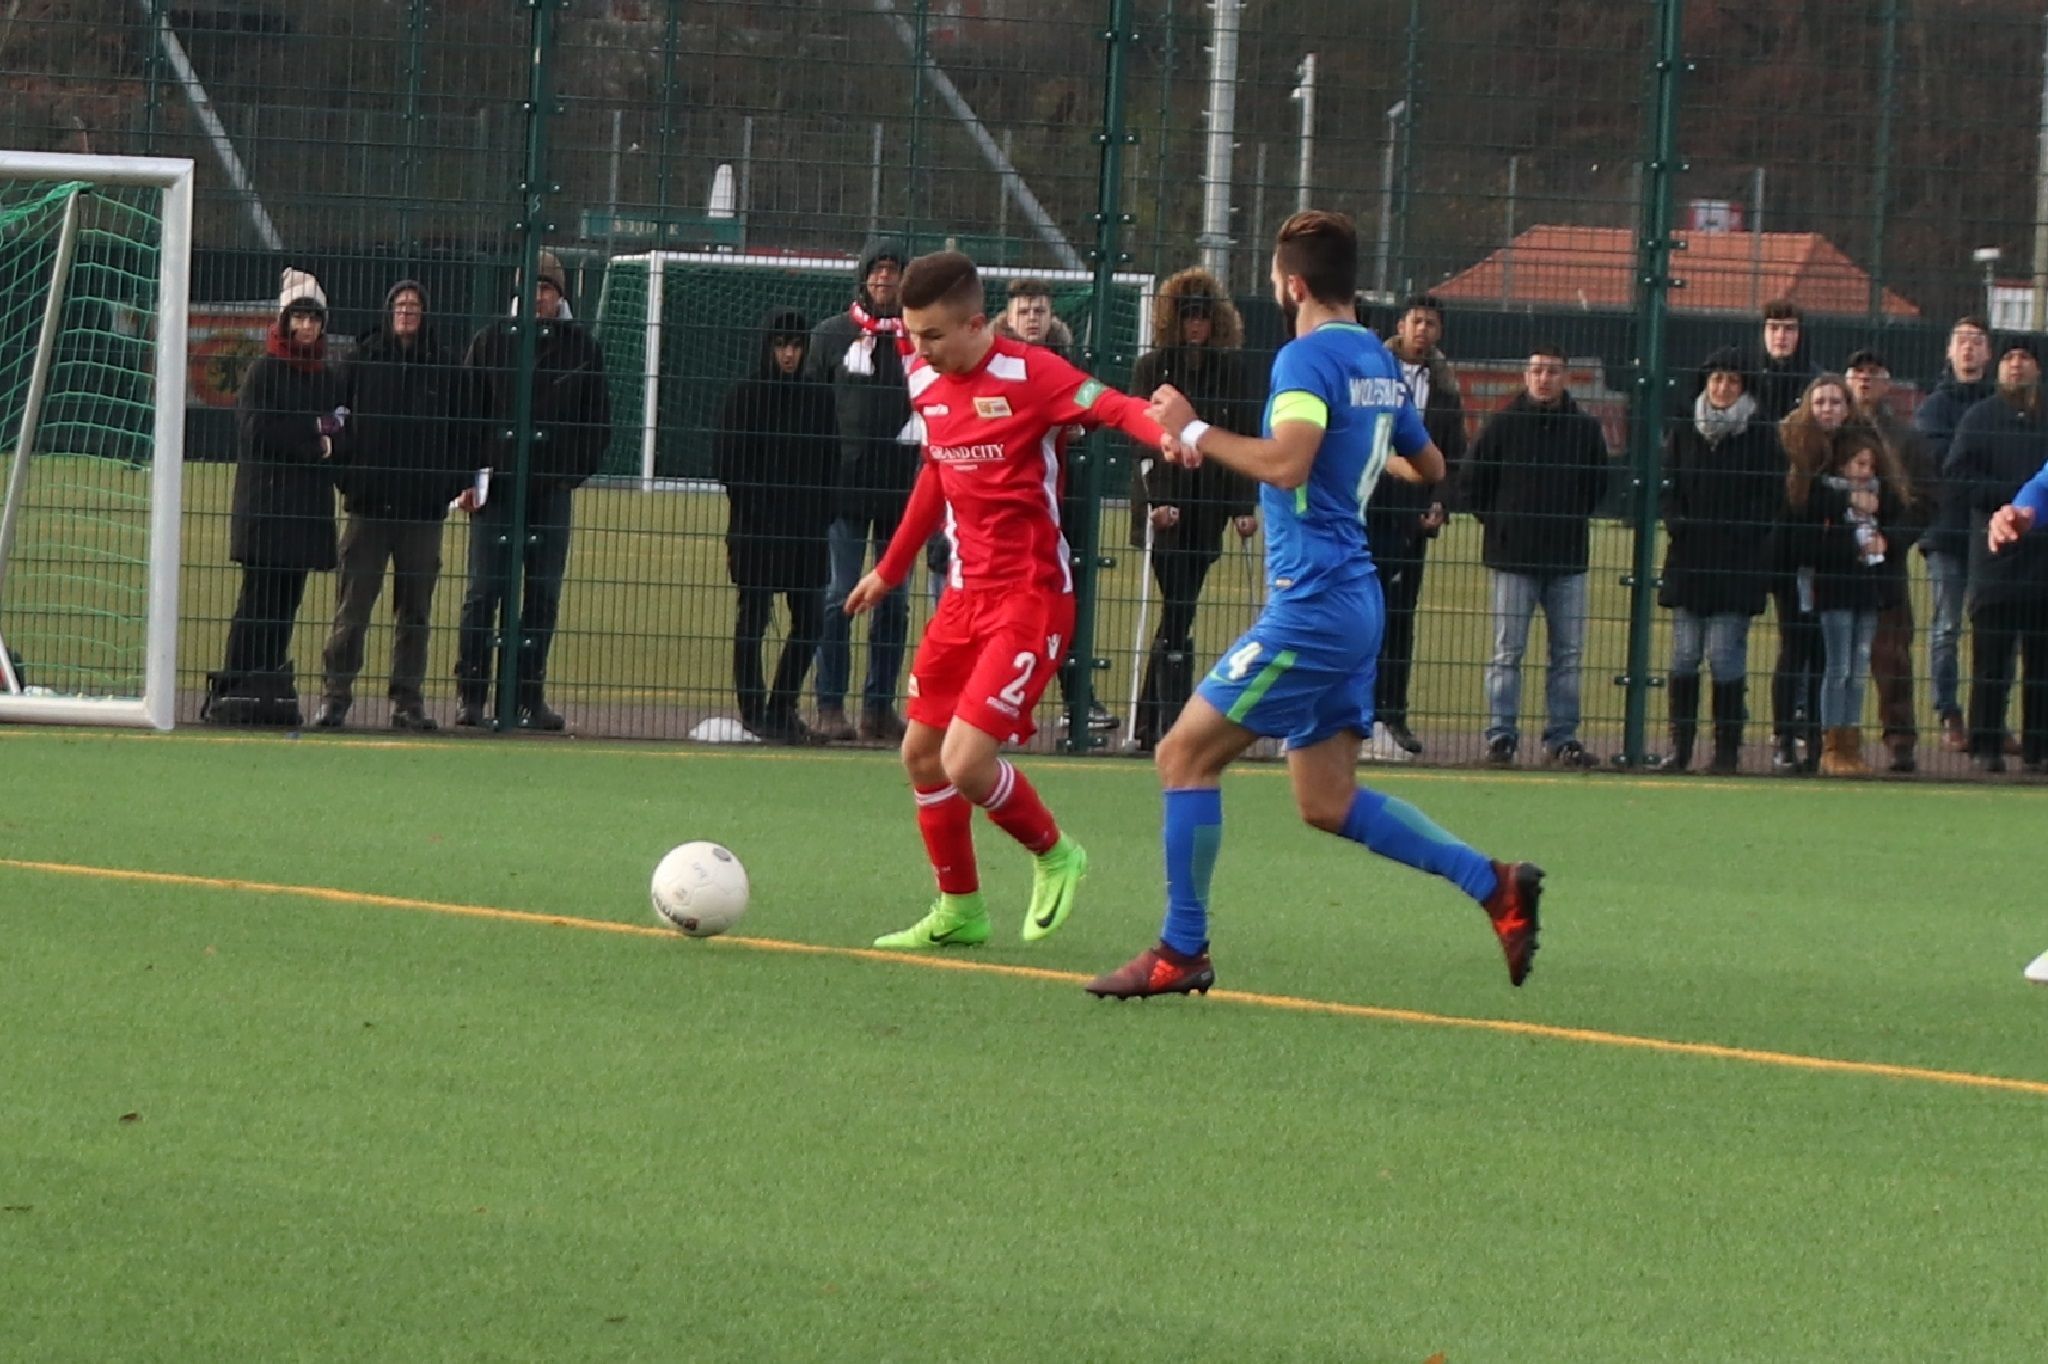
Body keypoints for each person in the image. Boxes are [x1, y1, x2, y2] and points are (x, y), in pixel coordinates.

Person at [1086, 211, 1542, 1000]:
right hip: (1356, 599)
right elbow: (1427, 459)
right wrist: (1360, 462)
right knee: (1325, 801)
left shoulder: (1304, 359)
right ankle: (1494, 884)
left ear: (1291, 283)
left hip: (1315, 605)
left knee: (1181, 756)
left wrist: (1191, 426)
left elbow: (1289, 465)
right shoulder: (1374, 356)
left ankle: (1181, 949)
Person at [844, 250, 1173, 951]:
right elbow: (935, 471)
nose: (921, 350)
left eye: (933, 336)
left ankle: (1058, 854)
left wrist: (1166, 433)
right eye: (914, 335)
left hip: (1031, 598)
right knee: (921, 755)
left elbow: (1108, 404)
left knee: (966, 762)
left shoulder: (1032, 374)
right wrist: (893, 568)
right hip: (963, 599)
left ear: (974, 323)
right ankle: (960, 910)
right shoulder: (925, 377)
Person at [454, 249, 611, 731]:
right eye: (535, 287)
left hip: (550, 490)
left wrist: (571, 474)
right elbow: (464, 415)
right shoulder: (490, 342)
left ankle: (528, 696)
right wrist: (469, 474)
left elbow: (598, 422)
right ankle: (473, 696)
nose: (540, 296)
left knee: (542, 595)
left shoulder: (582, 348)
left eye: (548, 288)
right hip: (496, 490)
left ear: (560, 294)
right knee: (484, 592)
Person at [316, 279, 469, 731]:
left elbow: (465, 433)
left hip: (422, 512)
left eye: (414, 305)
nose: (406, 311)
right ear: (389, 311)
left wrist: (446, 486)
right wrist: (349, 476)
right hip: (368, 507)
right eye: (400, 304)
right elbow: (332, 420)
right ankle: (336, 695)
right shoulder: (360, 360)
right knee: (352, 608)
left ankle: (408, 700)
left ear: (425, 313)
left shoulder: (445, 366)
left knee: (415, 612)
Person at [1126, 267, 1259, 752]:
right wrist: (1154, 504)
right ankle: (1168, 717)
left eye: (1203, 317)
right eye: (1188, 317)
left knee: (1180, 609)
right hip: (1166, 502)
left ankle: (1153, 720)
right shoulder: (1152, 367)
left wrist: (1244, 505)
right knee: (1177, 608)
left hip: (1211, 505)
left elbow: (1244, 436)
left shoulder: (1232, 370)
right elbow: (1140, 443)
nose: (1196, 326)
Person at [204, 267, 344, 727]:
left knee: (286, 604)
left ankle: (266, 685)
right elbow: (259, 430)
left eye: (314, 318)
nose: (307, 326)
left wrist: (327, 441)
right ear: (285, 321)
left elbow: (340, 430)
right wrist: (314, 439)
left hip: (305, 514)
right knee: (257, 602)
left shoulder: (325, 376)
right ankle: (235, 685)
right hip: (266, 510)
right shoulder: (263, 371)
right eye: (300, 317)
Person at [1462, 343, 1612, 767]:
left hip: (1567, 559)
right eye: (1537, 370)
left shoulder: (1585, 430)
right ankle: (1501, 736)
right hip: (1513, 559)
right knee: (1507, 652)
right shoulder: (1502, 425)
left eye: (1552, 371)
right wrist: (1501, 524)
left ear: (1565, 377)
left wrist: (1567, 519)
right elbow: (1473, 482)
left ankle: (1562, 738)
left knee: (1567, 654)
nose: (1544, 378)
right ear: (1526, 376)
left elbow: (1597, 485)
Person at [993, 277, 1118, 739]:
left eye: (1040, 310)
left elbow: (1092, 403)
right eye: (1024, 310)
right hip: (1008, 503)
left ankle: (1076, 698)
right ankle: (998, 700)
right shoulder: (993, 364)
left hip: (1066, 499)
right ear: (1008, 315)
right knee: (1009, 605)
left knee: (1067, 600)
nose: (1032, 318)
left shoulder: (1068, 363)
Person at [713, 308, 838, 744]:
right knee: (754, 618)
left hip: (806, 530)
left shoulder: (819, 398)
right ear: (768, 347)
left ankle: (781, 705)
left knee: (810, 621)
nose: (789, 354)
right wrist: (757, 509)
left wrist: (820, 513)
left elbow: (831, 462)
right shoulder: (744, 397)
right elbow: (728, 465)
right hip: (757, 528)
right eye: (781, 345)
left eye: (796, 345)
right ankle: (753, 711)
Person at [810, 240, 915, 744]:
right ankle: (829, 705)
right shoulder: (831, 336)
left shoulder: (922, 338)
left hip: (903, 489)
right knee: (837, 596)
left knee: (894, 604)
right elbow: (808, 407)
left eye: (895, 270)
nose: (886, 279)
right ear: (863, 276)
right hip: (842, 486)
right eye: (878, 270)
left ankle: (879, 707)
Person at [1656, 349, 1781, 773]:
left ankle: (1727, 751)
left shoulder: (1762, 435)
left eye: (1731, 380)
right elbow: (1669, 487)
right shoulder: (1684, 431)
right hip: (1689, 560)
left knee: (1725, 655)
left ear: (1744, 387)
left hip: (1737, 564)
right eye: (1716, 379)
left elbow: (1770, 499)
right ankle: (1680, 749)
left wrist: (1741, 534)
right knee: (1684, 655)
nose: (1722, 387)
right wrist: (1677, 522)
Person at [1367, 293, 1465, 759]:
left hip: (1415, 515)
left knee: (1401, 617)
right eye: (1416, 321)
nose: (1423, 330)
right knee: (1362, 613)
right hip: (1369, 508)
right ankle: (1355, 713)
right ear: (1401, 326)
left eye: (1431, 323)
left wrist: (1440, 504)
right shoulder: (1372, 371)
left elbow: (1453, 455)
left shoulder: (1445, 387)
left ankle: (1393, 714)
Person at [1949, 338, 2048, 773]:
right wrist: (2009, 504)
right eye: (2008, 357)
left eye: (2024, 358)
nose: (2016, 365)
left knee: (2042, 663)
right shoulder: (1979, 417)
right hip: (1995, 556)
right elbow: (1958, 476)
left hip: (2043, 559)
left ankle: (2038, 749)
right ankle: (1986, 744)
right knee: (1991, 659)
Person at [1790, 437, 1909, 775]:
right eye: (1859, 464)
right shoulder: (1827, 498)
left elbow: (1901, 523)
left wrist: (1881, 542)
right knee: (1837, 667)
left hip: (1868, 591)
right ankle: (1831, 744)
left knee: (1858, 670)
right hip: (1835, 590)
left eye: (1870, 465)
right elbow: (1814, 545)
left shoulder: (1881, 500)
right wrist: (1851, 548)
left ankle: (1851, 743)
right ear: (1843, 466)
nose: (1865, 471)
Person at [1844, 349, 1934, 771]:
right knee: (1822, 652)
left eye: (1873, 373)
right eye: (1857, 373)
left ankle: (1900, 740)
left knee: (1892, 653)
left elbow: (1926, 501)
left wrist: (1891, 540)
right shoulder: (1830, 429)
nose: (1864, 380)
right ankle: (1821, 738)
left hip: (1886, 563)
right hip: (1833, 560)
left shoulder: (1906, 438)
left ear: (1886, 382)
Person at [1769, 376, 1863, 773]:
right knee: (1795, 649)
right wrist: (1839, 499)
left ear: (1847, 407)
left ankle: (1819, 738)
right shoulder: (1788, 443)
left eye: (1836, 402)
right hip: (1793, 565)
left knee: (1826, 657)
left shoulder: (1856, 448)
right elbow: (1794, 506)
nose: (1828, 409)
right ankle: (1784, 738)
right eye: (1821, 402)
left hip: (1836, 569)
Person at [1752, 297, 1815, 421]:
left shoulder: (1815, 379)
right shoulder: (1747, 373)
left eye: (1789, 329)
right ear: (1763, 332)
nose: (1781, 336)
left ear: (1800, 334)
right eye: (1774, 328)